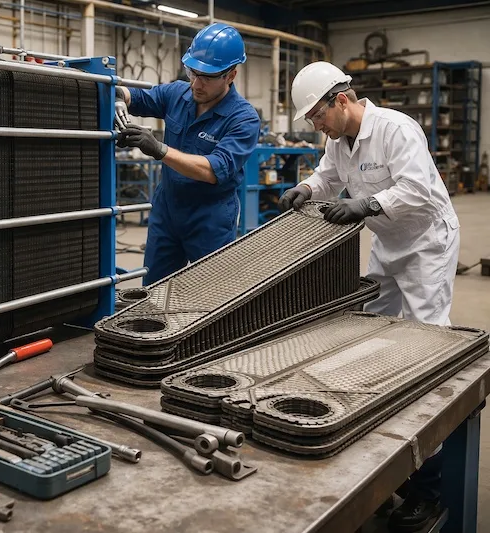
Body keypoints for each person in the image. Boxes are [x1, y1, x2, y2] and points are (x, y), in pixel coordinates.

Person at [279, 61, 460, 532]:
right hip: (388, 244)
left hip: (426, 245)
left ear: (342, 100)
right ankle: (387, 470)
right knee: (372, 339)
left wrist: (365, 204)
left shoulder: (397, 129)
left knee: (423, 348)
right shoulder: (336, 140)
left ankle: (427, 488)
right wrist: (304, 188)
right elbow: (326, 176)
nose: (315, 125)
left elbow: (418, 191)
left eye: (317, 115)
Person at [115, 23, 261, 284]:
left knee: (210, 295)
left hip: (209, 218)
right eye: (192, 72)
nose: (196, 83)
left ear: (230, 75)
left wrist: (160, 149)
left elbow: (214, 169)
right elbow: (136, 97)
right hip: (167, 211)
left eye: (206, 77)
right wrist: (116, 94)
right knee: (155, 290)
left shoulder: (244, 118)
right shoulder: (177, 94)